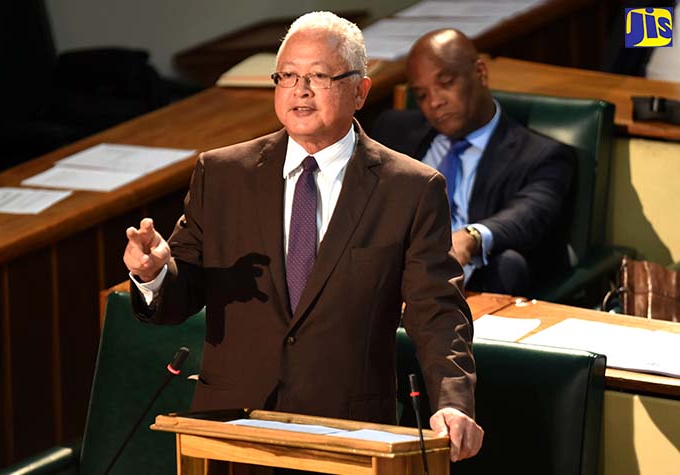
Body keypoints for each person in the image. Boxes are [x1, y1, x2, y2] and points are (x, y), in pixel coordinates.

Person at [123, 12, 482, 463]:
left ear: (360, 91)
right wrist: (155, 274)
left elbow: (438, 310)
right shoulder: (221, 174)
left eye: (319, 76)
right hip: (231, 431)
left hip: (347, 434)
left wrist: (452, 401)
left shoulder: (410, 189)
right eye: (288, 76)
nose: (300, 90)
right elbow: (181, 295)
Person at [373, 29, 574, 296]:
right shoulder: (393, 132)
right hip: (389, 285)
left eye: (445, 83)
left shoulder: (541, 156)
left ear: (480, 72)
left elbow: (528, 214)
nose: (435, 102)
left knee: (509, 265)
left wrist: (471, 237)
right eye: (421, 95)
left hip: (471, 288)